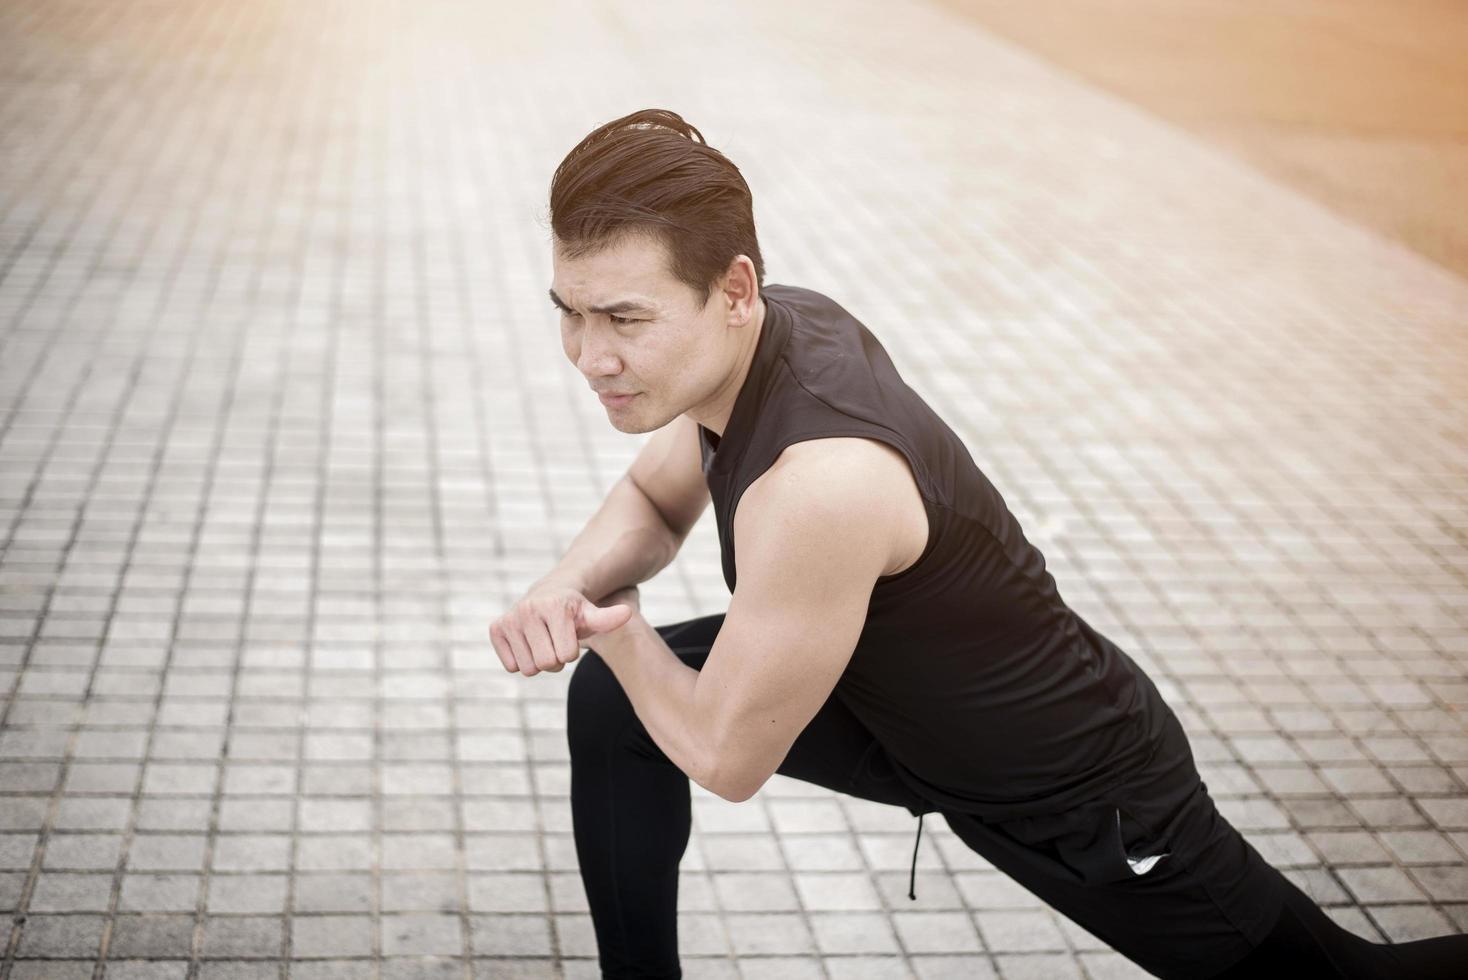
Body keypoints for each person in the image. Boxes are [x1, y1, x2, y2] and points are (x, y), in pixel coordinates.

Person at [487, 108, 1467, 979]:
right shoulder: (764, 339)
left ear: (734, 289)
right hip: (906, 720)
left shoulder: (822, 482)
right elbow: (658, 501)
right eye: (568, 313)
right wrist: (562, 585)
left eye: (623, 317)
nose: (590, 354)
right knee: (616, 701)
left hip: (1079, 791)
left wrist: (608, 626)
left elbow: (725, 754)